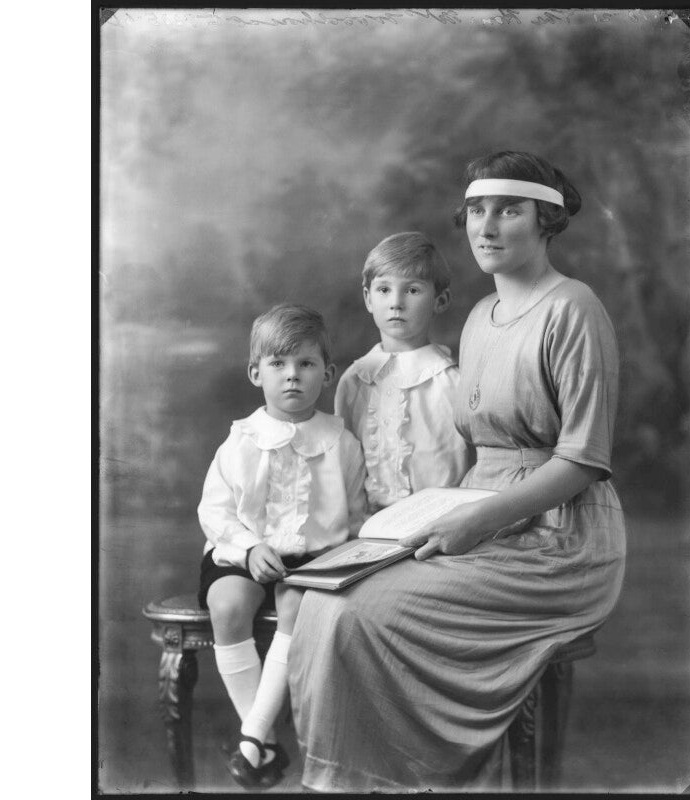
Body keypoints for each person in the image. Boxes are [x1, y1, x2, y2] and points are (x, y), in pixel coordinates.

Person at [287, 151, 627, 791]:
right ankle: (348, 779)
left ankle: (394, 776)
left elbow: (584, 459)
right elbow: (472, 445)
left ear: (546, 220)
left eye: (509, 210)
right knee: (323, 598)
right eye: (476, 210)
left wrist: (477, 520)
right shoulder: (476, 319)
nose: (488, 226)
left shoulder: (572, 309)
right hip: (477, 510)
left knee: (359, 614)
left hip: (558, 536)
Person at [197, 303, 367, 788]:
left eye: (306, 364)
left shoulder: (342, 443)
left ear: (327, 373)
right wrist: (248, 548)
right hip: (244, 552)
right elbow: (215, 512)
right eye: (278, 364)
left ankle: (250, 739)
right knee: (227, 604)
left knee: (297, 602)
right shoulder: (241, 442)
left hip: (315, 557)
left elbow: (354, 517)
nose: (292, 376)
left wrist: (345, 555)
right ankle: (266, 739)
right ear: (256, 372)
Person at [335, 231, 471, 511]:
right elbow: (343, 464)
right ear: (368, 298)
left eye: (412, 290)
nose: (396, 302)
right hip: (366, 527)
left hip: (440, 522)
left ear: (440, 300)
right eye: (384, 290)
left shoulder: (453, 383)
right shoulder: (354, 381)